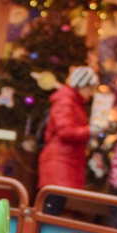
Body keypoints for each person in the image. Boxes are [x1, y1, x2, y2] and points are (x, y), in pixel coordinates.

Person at [38, 69, 96, 215]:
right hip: (60, 160)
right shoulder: (66, 101)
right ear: (82, 85)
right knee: (51, 207)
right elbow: (65, 132)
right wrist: (89, 131)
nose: (91, 93)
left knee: (53, 205)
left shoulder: (72, 101)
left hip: (64, 159)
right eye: (90, 88)